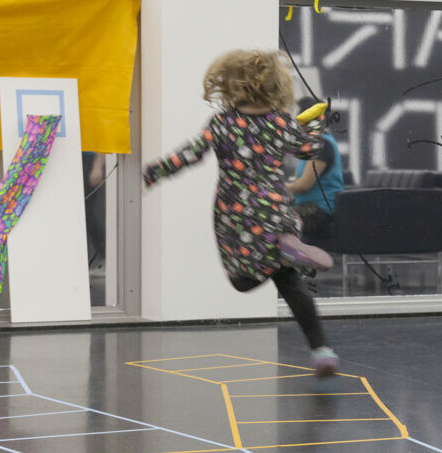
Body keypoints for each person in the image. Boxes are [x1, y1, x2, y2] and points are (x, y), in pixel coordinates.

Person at [142, 49, 340, 376]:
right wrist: (316, 124)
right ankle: (321, 350)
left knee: (243, 282)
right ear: (277, 88)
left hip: (238, 213)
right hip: (276, 210)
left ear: (233, 87)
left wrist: (153, 173)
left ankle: (273, 253)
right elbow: (310, 148)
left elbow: (191, 154)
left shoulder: (222, 124)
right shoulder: (281, 123)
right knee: (289, 280)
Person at [287, 97, 344, 241]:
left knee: (271, 219)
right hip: (308, 206)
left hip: (320, 210)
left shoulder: (322, 145)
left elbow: (304, 185)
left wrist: (275, 186)